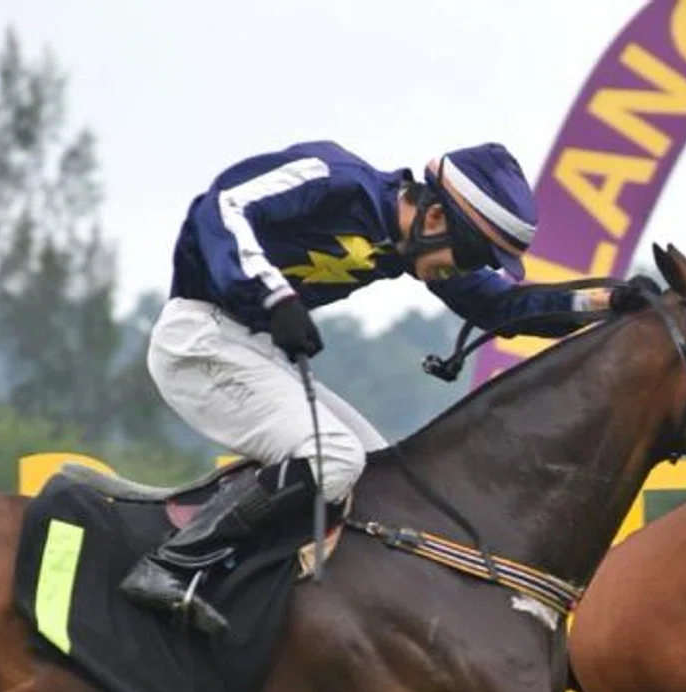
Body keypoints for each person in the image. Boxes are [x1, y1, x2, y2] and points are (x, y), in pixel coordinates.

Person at [123, 140, 618, 636]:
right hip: (198, 340)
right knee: (334, 457)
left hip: (257, 351)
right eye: (471, 255)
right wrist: (275, 295)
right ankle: (172, 566)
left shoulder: (403, 244)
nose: (467, 271)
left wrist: (611, 302)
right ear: (435, 218)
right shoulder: (335, 177)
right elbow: (222, 206)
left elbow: (503, 309)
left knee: (385, 482)